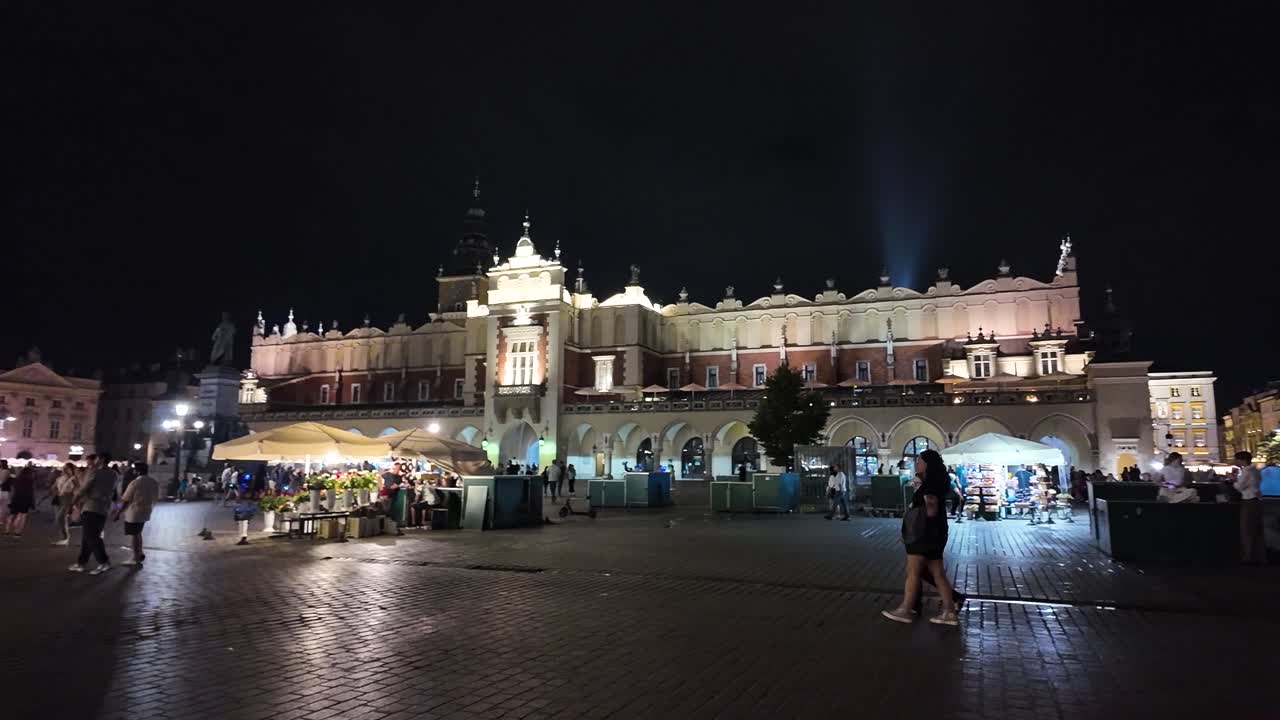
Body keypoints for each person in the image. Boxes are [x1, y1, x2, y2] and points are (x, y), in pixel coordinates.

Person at [882, 449, 960, 626]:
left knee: (913, 572)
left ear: (927, 464)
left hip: (923, 535)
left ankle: (906, 608)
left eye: (919, 460)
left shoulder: (929, 485)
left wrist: (916, 517)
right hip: (937, 533)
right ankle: (949, 611)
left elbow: (931, 509)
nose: (917, 463)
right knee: (938, 573)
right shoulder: (938, 481)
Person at [71, 453, 118, 574]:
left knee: (91, 537)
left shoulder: (95, 472)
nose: (93, 461)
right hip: (103, 508)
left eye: (96, 459)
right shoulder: (114, 474)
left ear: (101, 460)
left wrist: (74, 501)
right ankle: (81, 563)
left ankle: (104, 562)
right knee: (88, 536)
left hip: (91, 506)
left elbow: (84, 488)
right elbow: (114, 492)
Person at [114, 462, 159, 567]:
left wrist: (118, 512)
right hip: (146, 511)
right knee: (138, 533)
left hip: (134, 512)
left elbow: (125, 500)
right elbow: (156, 497)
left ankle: (135, 558)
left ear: (137, 471)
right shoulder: (153, 482)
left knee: (134, 535)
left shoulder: (135, 483)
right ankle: (140, 552)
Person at [1233, 451, 1265, 564]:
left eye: (1236, 459)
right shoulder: (1255, 470)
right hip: (1257, 500)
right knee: (1257, 529)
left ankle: (1248, 556)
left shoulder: (1246, 472)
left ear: (1241, 460)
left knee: (1247, 529)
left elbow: (1239, 487)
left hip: (1249, 500)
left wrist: (1233, 479)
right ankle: (1260, 555)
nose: (1235, 461)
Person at [51, 462, 81, 545]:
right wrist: (56, 490)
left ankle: (65, 538)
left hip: (69, 499)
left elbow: (78, 489)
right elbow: (54, 487)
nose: (65, 469)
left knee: (60, 517)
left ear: (71, 469)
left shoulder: (73, 478)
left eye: (67, 468)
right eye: (64, 467)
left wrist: (75, 501)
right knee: (61, 519)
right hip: (61, 499)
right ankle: (64, 538)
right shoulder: (60, 478)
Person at [3, 464, 37, 537]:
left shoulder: (17, 479)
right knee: (23, 516)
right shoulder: (30, 481)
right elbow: (31, 492)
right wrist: (33, 504)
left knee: (12, 515)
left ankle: (7, 531)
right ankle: (17, 532)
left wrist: (11, 499)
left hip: (16, 498)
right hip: (25, 499)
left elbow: (13, 490)